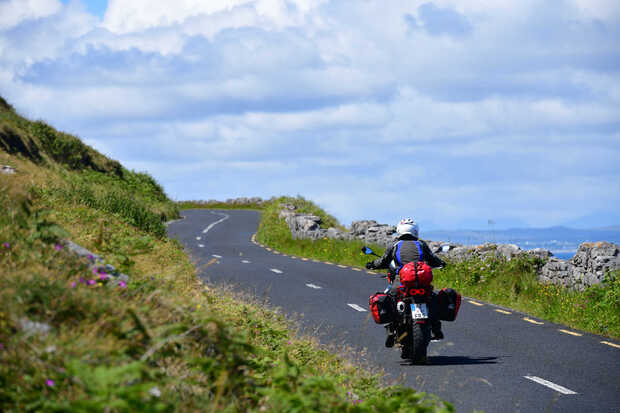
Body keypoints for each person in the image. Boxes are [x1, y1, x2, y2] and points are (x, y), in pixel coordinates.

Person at [366, 218, 446, 347]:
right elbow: (433, 259)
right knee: (432, 299)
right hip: (421, 281)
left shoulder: (395, 245)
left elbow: (383, 261)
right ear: (416, 231)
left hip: (401, 281)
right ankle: (437, 328)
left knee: (391, 298)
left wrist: (372, 264)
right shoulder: (421, 244)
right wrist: (441, 263)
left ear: (399, 230)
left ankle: (391, 329)